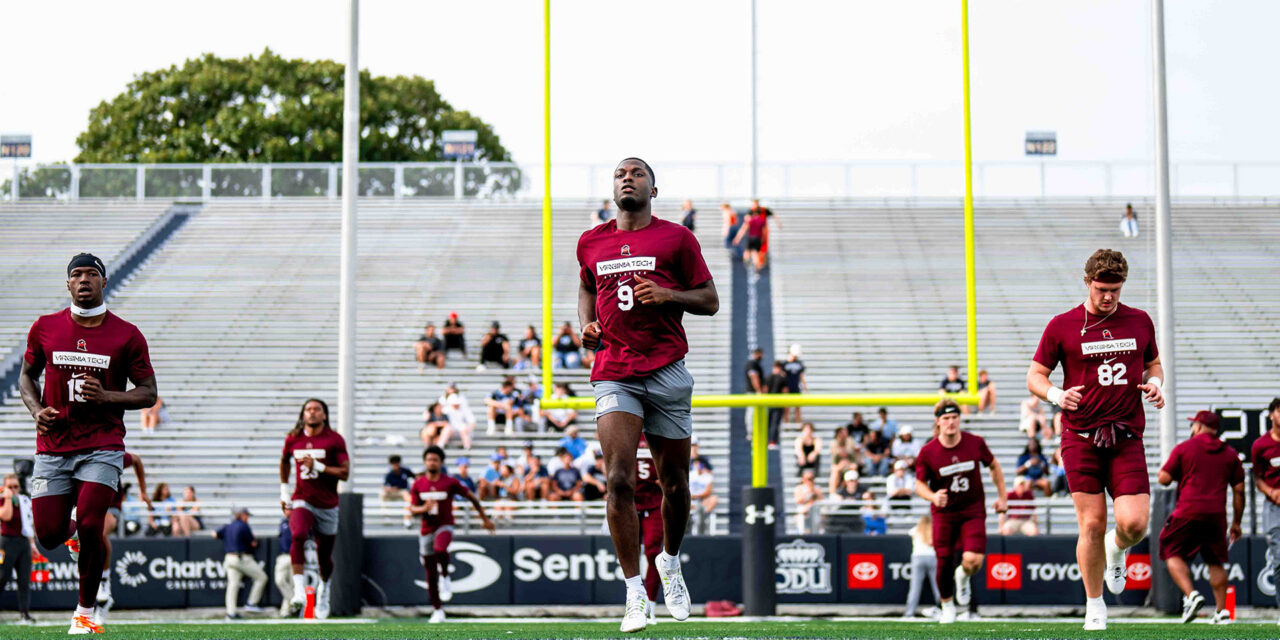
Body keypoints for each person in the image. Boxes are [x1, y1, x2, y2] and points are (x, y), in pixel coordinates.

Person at [577, 157, 718, 632]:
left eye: (637, 173)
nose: (628, 178)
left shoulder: (676, 238)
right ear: (612, 188)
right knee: (617, 478)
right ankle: (634, 592)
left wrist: (669, 295)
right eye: (621, 173)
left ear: (652, 189)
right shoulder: (591, 240)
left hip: (666, 369)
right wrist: (586, 325)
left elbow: (710, 300)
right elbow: (585, 284)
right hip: (614, 369)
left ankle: (671, 564)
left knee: (674, 484)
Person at [18, 253, 158, 634]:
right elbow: (26, 377)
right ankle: (75, 537)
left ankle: (84, 613)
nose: (83, 280)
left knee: (93, 523)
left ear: (104, 281)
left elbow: (148, 393)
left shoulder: (127, 334)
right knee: (48, 535)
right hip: (53, 445)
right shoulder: (45, 327)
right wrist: (36, 410)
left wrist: (108, 398)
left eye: (91, 274)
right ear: (67, 284)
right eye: (76, 274)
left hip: (103, 444)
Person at [1026, 248, 1163, 631]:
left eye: (1115, 290)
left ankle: (1116, 551)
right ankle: (1095, 605)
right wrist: (1055, 395)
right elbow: (1035, 375)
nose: (1108, 297)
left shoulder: (1139, 320)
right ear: (1087, 282)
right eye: (1102, 289)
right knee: (1092, 524)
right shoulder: (1062, 324)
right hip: (1080, 435)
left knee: (1135, 524)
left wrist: (1154, 384)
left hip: (1125, 434)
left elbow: (1154, 363)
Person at [914, 399, 1008, 625]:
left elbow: (994, 465)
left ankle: (963, 576)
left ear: (960, 418)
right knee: (944, 560)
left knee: (974, 560)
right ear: (938, 422)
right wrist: (933, 496)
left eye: (954, 417)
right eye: (945, 418)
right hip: (944, 512)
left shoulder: (974, 442)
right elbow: (919, 484)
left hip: (972, 508)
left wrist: (1002, 496)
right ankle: (947, 606)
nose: (950, 422)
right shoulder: (928, 452)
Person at [1159, 410, 1245, 625]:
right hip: (1216, 515)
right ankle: (1222, 611)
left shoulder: (1184, 448)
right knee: (1216, 562)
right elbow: (1239, 491)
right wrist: (1236, 522)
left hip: (1188, 510)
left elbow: (1163, 479)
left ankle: (1191, 595)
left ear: (1197, 426)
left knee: (1170, 550)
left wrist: (1184, 472)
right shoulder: (1230, 453)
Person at [279, 398, 350, 619]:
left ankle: (324, 587)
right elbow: (284, 461)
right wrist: (284, 491)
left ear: (324, 415)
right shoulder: (293, 438)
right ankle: (299, 591)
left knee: (324, 557)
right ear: (303, 414)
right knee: (298, 534)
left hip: (328, 503)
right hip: (302, 498)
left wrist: (318, 466)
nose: (312, 413)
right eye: (308, 409)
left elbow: (344, 473)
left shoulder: (334, 439)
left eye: (316, 409)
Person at [408, 446, 495, 623]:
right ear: (425, 462)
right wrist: (423, 508)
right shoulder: (419, 484)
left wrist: (484, 518)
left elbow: (471, 497)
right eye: (429, 459)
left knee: (440, 548)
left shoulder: (449, 482)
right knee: (430, 572)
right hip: (426, 529)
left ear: (441, 463)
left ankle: (446, 575)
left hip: (445, 526)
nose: (432, 462)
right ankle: (437, 609)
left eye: (435, 460)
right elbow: (412, 508)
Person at [98, 451, 151, 614]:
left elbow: (136, 459)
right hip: (87, 505)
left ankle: (104, 580)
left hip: (110, 506)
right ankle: (91, 584)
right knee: (81, 540)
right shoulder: (80, 450)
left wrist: (143, 491)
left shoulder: (108, 451)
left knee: (98, 533)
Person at [1252, 397, 1280, 624]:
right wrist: (1270, 492)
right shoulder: (1260, 445)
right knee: (1279, 558)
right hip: (1275, 506)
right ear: (1271, 414)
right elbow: (1257, 478)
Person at [215, 507, 267, 620]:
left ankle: (231, 613)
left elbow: (214, 534)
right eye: (246, 515)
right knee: (262, 577)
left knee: (233, 584)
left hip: (229, 558)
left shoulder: (227, 526)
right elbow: (253, 543)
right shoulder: (243, 525)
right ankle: (252, 603)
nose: (247, 517)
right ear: (241, 515)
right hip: (241, 558)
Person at [634, 436, 664, 624]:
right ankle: (634, 603)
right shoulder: (625, 428)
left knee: (653, 551)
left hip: (654, 501)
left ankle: (650, 606)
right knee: (629, 554)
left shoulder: (656, 432)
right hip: (629, 499)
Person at [0, 473, 36, 625]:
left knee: (24, 580)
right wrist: (7, 497)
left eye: (16, 486)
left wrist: (32, 544)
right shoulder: (2, 500)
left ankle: (24, 614)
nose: (14, 490)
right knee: (2, 577)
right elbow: (6, 517)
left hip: (23, 543)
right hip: (6, 543)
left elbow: (28, 524)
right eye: (10, 487)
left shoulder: (24, 500)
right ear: (4, 487)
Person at [903, 514, 941, 619]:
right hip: (932, 557)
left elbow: (910, 533)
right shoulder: (934, 529)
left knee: (915, 587)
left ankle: (909, 613)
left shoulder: (915, 530)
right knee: (937, 586)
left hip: (917, 558)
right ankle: (943, 609)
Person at [437, 383, 475, 450]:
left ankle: (467, 447)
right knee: (447, 428)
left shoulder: (464, 409)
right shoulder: (446, 410)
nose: (455, 405)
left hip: (462, 430)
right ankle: (440, 446)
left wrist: (468, 429)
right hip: (451, 430)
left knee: (463, 428)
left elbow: (472, 422)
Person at [732, 207, 767, 272]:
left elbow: (743, 229)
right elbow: (764, 232)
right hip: (758, 239)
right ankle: (756, 266)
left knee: (747, 251)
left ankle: (747, 262)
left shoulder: (750, 220)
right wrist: (763, 240)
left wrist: (737, 239)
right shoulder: (762, 220)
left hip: (751, 238)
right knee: (755, 253)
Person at [764, 361, 789, 447]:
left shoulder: (768, 377)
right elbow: (785, 392)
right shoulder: (782, 378)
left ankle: (769, 441)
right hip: (777, 403)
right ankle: (772, 441)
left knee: (770, 423)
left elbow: (765, 390)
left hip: (770, 403)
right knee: (774, 423)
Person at [689, 459, 717, 534]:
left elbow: (708, 492)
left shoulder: (708, 477)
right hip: (690, 500)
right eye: (696, 463)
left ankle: (703, 516)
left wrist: (695, 496)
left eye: (699, 464)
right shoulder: (690, 475)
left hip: (701, 501)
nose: (698, 465)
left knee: (713, 499)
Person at [793, 469, 823, 534]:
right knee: (801, 511)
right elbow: (798, 500)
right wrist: (808, 491)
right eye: (807, 479)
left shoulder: (817, 488)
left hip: (814, 510)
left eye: (811, 479)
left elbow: (821, 500)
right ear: (803, 479)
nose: (809, 481)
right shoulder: (799, 488)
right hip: (803, 510)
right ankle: (802, 532)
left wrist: (813, 490)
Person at [783, 344, 807, 422]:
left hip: (796, 387)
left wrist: (805, 388)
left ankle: (798, 424)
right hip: (787, 388)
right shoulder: (784, 364)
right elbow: (782, 377)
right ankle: (786, 424)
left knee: (798, 407)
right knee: (787, 407)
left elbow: (801, 376)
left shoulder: (799, 363)